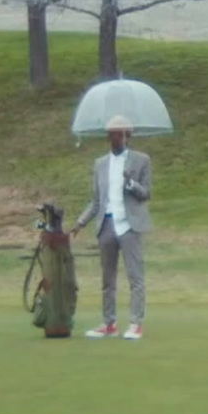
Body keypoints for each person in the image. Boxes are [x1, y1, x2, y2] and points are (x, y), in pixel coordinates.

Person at [72, 115, 153, 340]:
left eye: (121, 134)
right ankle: (109, 323)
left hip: (129, 225)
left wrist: (130, 183)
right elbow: (96, 200)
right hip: (107, 224)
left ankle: (136, 323)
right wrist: (80, 222)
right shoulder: (100, 164)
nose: (116, 138)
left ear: (128, 135)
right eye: (113, 134)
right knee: (108, 280)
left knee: (135, 277)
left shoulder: (141, 160)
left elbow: (146, 194)